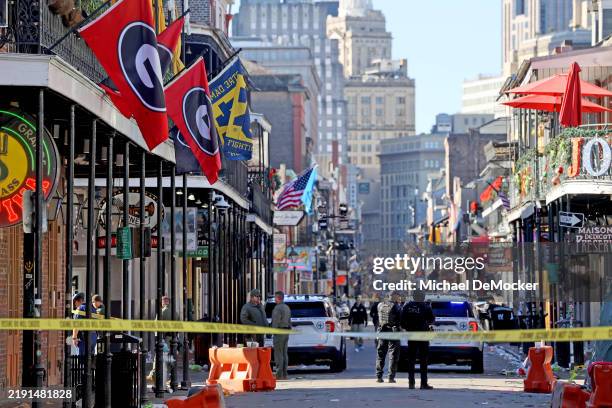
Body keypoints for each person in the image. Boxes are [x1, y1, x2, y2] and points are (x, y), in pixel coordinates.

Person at [401, 290, 435, 390]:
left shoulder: (407, 306)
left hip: (411, 335)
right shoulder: (426, 307)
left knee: (411, 360)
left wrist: (408, 327)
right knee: (423, 360)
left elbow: (402, 321)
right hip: (423, 335)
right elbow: (432, 320)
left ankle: (411, 383)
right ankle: (423, 384)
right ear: (423, 297)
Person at [375, 291, 402, 383]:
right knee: (393, 355)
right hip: (393, 332)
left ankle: (379, 376)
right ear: (394, 297)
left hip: (382, 331)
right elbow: (401, 320)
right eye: (398, 296)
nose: (399, 298)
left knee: (380, 354)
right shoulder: (396, 307)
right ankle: (391, 377)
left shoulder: (380, 305)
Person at [271, 291, 292, 380]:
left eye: (275, 297)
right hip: (286, 331)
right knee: (284, 353)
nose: (274, 299)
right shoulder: (287, 307)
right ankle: (285, 374)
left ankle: (279, 375)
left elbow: (275, 321)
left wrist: (272, 331)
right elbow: (289, 321)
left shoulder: (277, 308)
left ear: (278, 298)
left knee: (278, 353)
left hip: (279, 332)